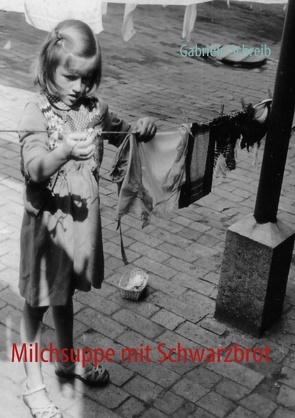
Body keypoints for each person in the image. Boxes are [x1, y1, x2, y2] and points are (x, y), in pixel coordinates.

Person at [18, 19, 157, 418]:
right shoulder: (36, 111)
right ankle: (32, 383)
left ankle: (65, 361)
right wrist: (61, 152)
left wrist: (141, 128)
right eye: (71, 76)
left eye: (89, 77)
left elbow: (122, 133)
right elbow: (34, 166)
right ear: (48, 67)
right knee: (35, 304)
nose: (81, 86)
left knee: (65, 297)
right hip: (48, 228)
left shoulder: (95, 109)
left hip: (80, 227)